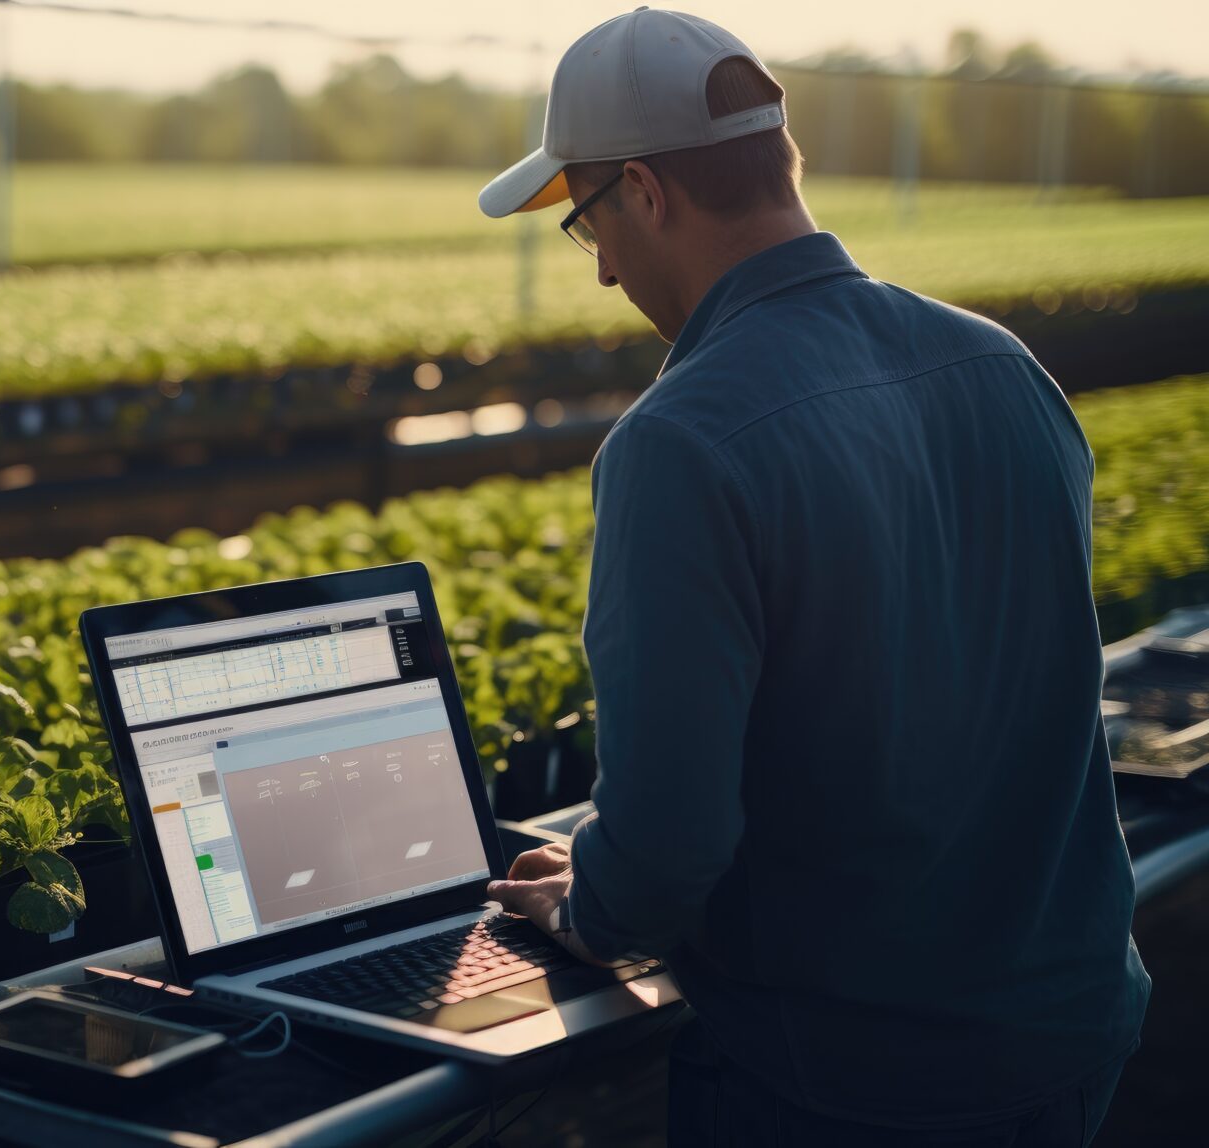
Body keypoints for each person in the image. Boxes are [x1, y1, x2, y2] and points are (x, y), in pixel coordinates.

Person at [474, 8, 1150, 1145]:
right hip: (1066, 1028)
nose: (598, 271)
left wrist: (590, 902)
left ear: (642, 191)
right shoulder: (1003, 365)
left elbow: (668, 848)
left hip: (855, 1079)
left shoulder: (680, 442)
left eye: (584, 220)